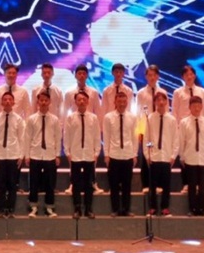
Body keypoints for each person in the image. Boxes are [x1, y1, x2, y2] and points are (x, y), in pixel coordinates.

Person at [64, 90, 101, 219]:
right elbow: (66, 136)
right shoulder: (70, 118)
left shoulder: (93, 118)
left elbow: (97, 136)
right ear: (75, 102)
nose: (81, 101)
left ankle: (88, 208)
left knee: (89, 183)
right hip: (75, 155)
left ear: (88, 101)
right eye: (79, 99)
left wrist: (97, 152)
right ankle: (77, 208)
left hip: (89, 155)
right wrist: (67, 152)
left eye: (84, 99)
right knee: (76, 183)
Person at [24, 90, 61, 217]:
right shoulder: (31, 119)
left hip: (50, 155)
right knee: (34, 182)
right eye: (41, 100)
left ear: (49, 102)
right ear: (37, 102)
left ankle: (49, 207)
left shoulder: (55, 119)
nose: (43, 102)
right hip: (35, 154)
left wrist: (57, 155)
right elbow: (27, 138)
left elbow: (57, 138)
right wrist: (27, 155)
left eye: (46, 100)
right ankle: (33, 207)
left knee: (50, 183)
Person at [0, 91, 25, 217]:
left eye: (10, 99)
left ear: (14, 102)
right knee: (1, 184)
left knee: (12, 184)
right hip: (0, 154)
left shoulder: (19, 119)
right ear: (1, 102)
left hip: (13, 155)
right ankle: (1, 209)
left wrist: (21, 155)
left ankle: (10, 209)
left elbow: (22, 138)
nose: (8, 101)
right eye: (5, 99)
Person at [103, 91, 138, 217]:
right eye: (119, 101)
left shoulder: (132, 117)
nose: (122, 104)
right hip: (114, 154)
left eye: (124, 101)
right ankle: (115, 209)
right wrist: (106, 154)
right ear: (115, 102)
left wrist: (135, 154)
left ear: (127, 102)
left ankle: (126, 209)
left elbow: (134, 137)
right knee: (114, 184)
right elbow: (106, 136)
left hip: (128, 154)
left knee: (127, 185)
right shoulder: (108, 117)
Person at [179, 96, 204, 216]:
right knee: (192, 185)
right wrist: (182, 156)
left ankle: (202, 209)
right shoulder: (184, 122)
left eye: (199, 106)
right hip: (190, 157)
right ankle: (192, 209)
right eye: (194, 106)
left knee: (203, 186)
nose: (197, 108)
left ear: (202, 107)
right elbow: (181, 141)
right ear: (190, 107)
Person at [146, 91, 180, 217]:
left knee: (166, 184)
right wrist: (148, 154)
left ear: (166, 102)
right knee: (152, 185)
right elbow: (148, 139)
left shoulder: (171, 119)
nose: (160, 102)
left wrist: (173, 156)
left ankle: (165, 207)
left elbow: (175, 139)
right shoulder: (150, 118)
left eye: (163, 100)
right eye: (158, 100)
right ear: (155, 102)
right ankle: (153, 207)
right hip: (154, 156)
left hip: (166, 156)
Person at [135, 65, 168, 192]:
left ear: (158, 76)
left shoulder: (163, 92)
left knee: (158, 156)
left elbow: (166, 111)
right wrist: (140, 130)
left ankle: (158, 184)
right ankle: (146, 185)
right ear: (146, 77)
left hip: (159, 129)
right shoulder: (141, 93)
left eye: (154, 75)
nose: (152, 77)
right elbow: (139, 112)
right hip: (146, 130)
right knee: (146, 155)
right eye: (149, 75)